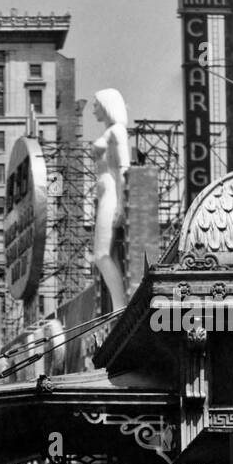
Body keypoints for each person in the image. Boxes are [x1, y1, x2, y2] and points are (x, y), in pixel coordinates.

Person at [91, 88, 131, 311]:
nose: (93, 109)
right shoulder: (110, 131)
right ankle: (119, 305)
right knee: (107, 254)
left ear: (106, 105)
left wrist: (121, 206)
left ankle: (119, 306)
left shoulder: (117, 131)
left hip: (112, 197)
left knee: (102, 254)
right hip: (105, 195)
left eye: (96, 104)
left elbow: (123, 168)